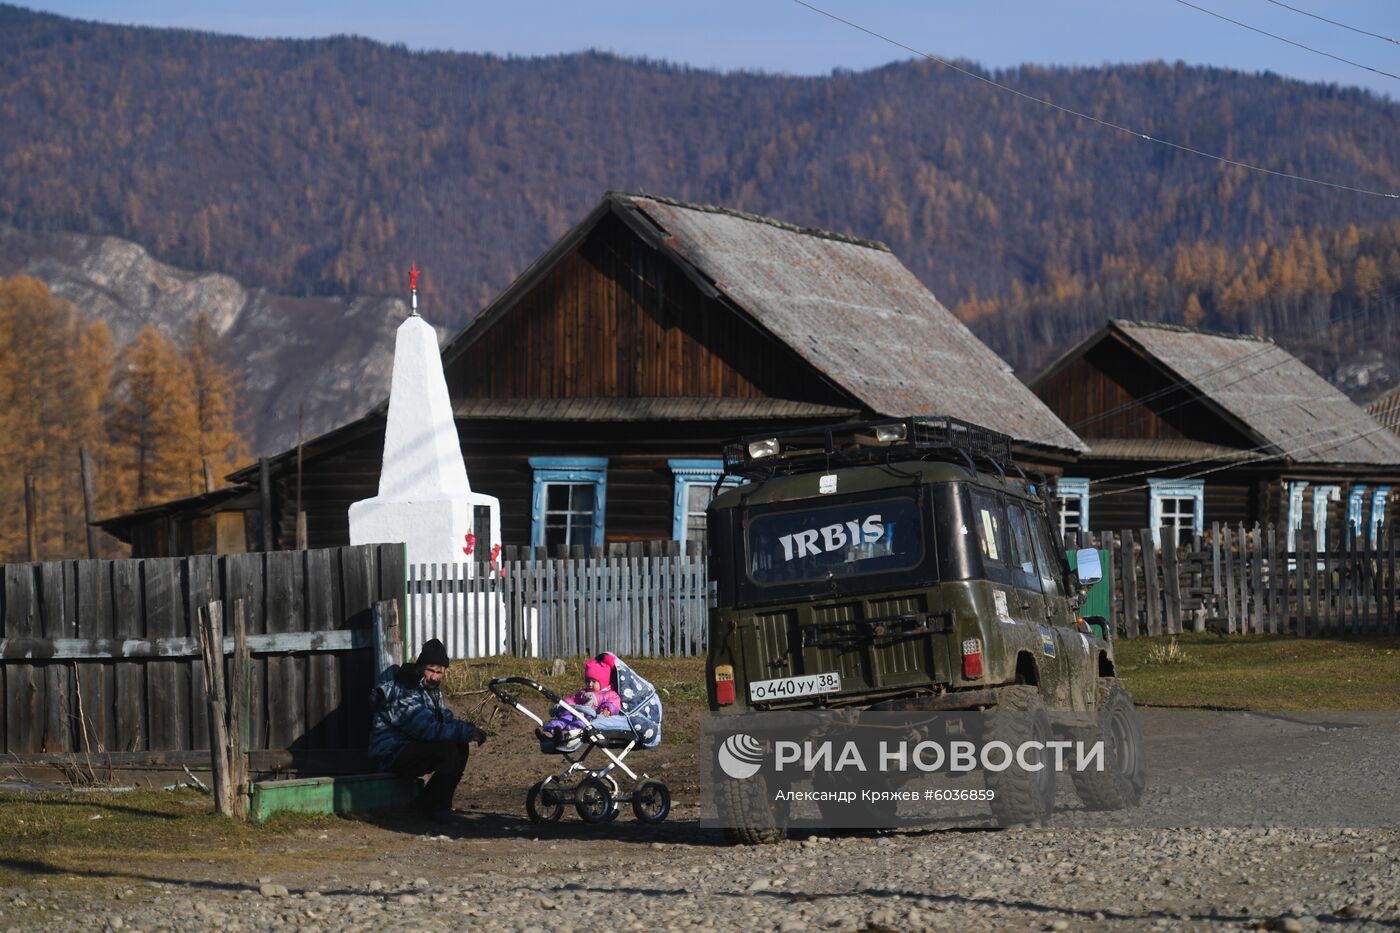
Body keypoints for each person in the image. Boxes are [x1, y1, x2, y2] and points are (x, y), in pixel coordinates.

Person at [368, 638, 486, 823]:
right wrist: (464, 732)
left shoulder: (431, 690)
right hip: (390, 753)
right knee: (447, 751)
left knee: (460, 747)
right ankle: (431, 807)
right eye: (430, 670)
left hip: (410, 749)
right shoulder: (403, 690)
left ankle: (432, 804)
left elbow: (445, 719)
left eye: (440, 672)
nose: (434, 676)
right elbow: (424, 729)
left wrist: (469, 730)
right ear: (420, 668)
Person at [535, 657, 620, 747]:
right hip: (576, 713)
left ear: (603, 682)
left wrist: (608, 709)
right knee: (565, 718)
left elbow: (614, 703)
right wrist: (563, 704)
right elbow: (573, 700)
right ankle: (549, 732)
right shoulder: (583, 693)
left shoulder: (609, 694)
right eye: (588, 681)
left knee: (579, 724)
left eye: (594, 681)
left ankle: (565, 734)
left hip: (590, 718)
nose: (590, 684)